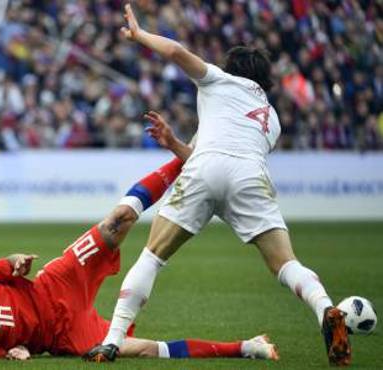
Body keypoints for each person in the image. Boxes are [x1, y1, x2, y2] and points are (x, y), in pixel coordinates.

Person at [85, 4, 350, 367]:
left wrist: (140, 35)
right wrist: (177, 144)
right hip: (250, 176)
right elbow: (227, 148)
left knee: (152, 255)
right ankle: (326, 310)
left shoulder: (219, 80)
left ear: (232, 70)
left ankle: (112, 341)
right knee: (285, 263)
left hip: (207, 167)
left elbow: (177, 53)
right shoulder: (272, 119)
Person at [0, 124, 279, 361]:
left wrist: (18, 261)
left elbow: (6, 265)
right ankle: (247, 347)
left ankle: (190, 157)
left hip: (54, 284)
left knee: (117, 220)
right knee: (142, 350)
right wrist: (13, 353)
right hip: (62, 335)